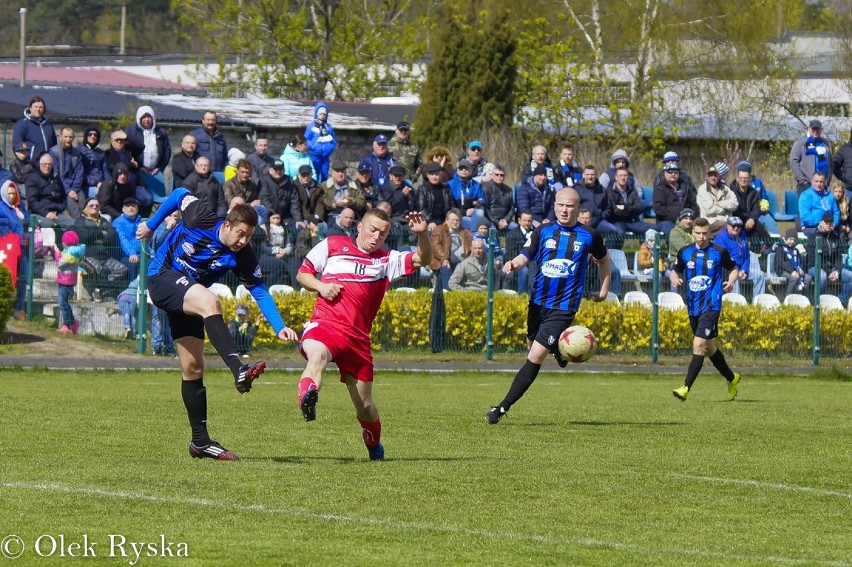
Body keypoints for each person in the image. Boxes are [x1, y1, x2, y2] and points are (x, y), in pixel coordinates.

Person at [135, 187, 299, 461]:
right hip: (162, 277)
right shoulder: (201, 216)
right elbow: (178, 194)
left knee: (193, 367)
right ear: (227, 224)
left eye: (249, 236)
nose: (244, 241)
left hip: (188, 296)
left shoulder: (243, 255)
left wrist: (278, 325)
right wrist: (151, 226)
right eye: (240, 233)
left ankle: (200, 442)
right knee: (211, 302)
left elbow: (258, 289)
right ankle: (238, 369)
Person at [295, 209, 432, 460]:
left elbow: (424, 258)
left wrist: (423, 234)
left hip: (357, 340)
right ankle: (306, 397)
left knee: (366, 407)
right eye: (373, 229)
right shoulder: (333, 244)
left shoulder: (386, 260)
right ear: (359, 227)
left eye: (383, 233)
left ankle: (373, 442)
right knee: (317, 357)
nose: (377, 236)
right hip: (326, 325)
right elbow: (303, 274)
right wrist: (322, 287)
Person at [485, 188, 611, 424]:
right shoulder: (543, 230)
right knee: (531, 346)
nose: (565, 210)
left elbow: (604, 260)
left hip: (564, 307)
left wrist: (603, 291)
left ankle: (501, 408)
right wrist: (513, 264)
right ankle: (559, 350)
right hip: (537, 302)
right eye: (561, 205)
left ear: (577, 208)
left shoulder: (588, 235)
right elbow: (525, 255)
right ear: (554, 206)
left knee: (534, 356)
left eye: (570, 206)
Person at [669, 217, 741, 402]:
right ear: (692, 233)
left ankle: (685, 388)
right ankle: (732, 378)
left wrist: (731, 281)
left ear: (710, 233)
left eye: (704, 233)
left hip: (712, 305)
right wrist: (674, 279)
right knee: (708, 348)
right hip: (693, 306)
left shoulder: (718, 252)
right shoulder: (685, 252)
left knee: (698, 345)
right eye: (698, 233)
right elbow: (675, 270)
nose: (701, 237)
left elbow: (734, 269)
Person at [712, 216, 766, 299]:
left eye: (739, 226)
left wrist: (744, 269)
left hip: (742, 269)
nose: (736, 228)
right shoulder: (721, 238)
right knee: (734, 278)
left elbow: (747, 255)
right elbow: (725, 259)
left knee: (760, 275)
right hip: (727, 270)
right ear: (728, 225)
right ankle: (737, 304)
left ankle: (758, 302)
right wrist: (737, 270)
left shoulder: (743, 235)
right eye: (734, 226)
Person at [806, 213, 852, 305]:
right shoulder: (813, 237)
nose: (828, 224)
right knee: (822, 276)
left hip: (832, 268)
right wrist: (828, 272)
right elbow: (814, 258)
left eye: (830, 222)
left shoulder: (835, 237)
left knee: (850, 276)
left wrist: (837, 271)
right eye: (826, 222)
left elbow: (838, 256)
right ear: (821, 223)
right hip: (814, 266)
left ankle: (841, 301)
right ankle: (818, 302)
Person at [27, 153, 77, 228]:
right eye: (45, 164)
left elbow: (63, 195)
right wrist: (46, 213)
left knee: (74, 225)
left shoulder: (56, 177)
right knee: (50, 227)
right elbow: (32, 201)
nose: (47, 166)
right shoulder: (32, 179)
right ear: (40, 164)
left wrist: (60, 208)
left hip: (57, 213)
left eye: (49, 164)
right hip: (40, 213)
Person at [603, 166, 653, 236]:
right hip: (617, 222)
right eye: (620, 175)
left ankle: (644, 247)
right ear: (616, 177)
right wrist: (631, 209)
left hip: (631, 222)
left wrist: (625, 208)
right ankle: (613, 247)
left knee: (653, 229)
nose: (623, 178)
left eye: (625, 175)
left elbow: (640, 208)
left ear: (628, 177)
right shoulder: (610, 191)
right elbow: (614, 210)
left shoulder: (632, 191)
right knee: (619, 233)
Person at [430, 208, 472, 290]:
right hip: (444, 262)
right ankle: (448, 294)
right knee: (446, 269)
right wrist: (444, 258)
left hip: (463, 263)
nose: (455, 222)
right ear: (446, 220)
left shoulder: (466, 232)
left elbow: (471, 248)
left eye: (457, 220)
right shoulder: (439, 230)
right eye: (453, 220)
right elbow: (436, 246)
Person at [652, 160, 697, 236]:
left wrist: (690, 217)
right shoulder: (660, 189)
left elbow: (694, 205)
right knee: (673, 232)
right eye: (670, 172)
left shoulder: (686, 188)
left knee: (700, 229)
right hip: (667, 220)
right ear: (665, 174)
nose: (673, 174)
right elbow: (659, 210)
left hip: (688, 219)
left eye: (675, 172)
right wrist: (678, 218)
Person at [125, 105, 171, 177]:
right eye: (143, 117)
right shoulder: (131, 131)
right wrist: (139, 167)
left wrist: (160, 167)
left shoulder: (161, 132)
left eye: (149, 117)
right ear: (139, 118)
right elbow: (127, 152)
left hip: (156, 173)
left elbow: (167, 151)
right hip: (137, 172)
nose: (146, 119)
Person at [54, 229, 85, 335]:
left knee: (63, 303)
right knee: (64, 303)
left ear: (66, 243)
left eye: (63, 241)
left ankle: (68, 325)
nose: (62, 243)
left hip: (66, 281)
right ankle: (71, 324)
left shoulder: (70, 254)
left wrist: (56, 252)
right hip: (66, 280)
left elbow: (60, 263)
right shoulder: (71, 251)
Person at [791, 119, 832, 193]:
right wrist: (803, 181)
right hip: (806, 185)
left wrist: (828, 180)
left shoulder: (826, 143)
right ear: (809, 129)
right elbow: (794, 162)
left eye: (818, 129)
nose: (815, 131)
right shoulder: (800, 142)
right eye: (813, 129)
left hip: (822, 184)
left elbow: (831, 163)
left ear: (821, 130)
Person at [697, 162, 738, 236]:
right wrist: (726, 208)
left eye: (715, 175)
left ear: (719, 177)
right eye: (710, 175)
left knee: (739, 227)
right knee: (729, 229)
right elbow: (709, 210)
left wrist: (718, 203)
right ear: (707, 177)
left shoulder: (725, 188)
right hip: (711, 223)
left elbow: (735, 204)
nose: (713, 177)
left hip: (726, 222)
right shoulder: (703, 189)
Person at [798, 171, 839, 237]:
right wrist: (820, 223)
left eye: (821, 182)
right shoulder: (806, 195)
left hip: (829, 226)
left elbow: (836, 212)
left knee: (841, 236)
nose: (819, 184)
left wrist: (834, 223)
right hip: (811, 227)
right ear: (812, 181)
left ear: (825, 182)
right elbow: (805, 216)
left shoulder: (830, 196)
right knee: (820, 236)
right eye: (816, 181)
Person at [447, 159, 485, 230]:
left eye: (466, 168)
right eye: (461, 168)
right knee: (467, 221)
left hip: (473, 214)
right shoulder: (450, 184)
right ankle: (473, 232)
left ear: (471, 171)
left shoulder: (476, 185)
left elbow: (482, 199)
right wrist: (464, 212)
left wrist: (478, 203)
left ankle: (474, 234)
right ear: (457, 171)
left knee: (480, 211)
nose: (464, 170)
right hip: (457, 215)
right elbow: (449, 206)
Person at [305, 103, 336, 182]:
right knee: (315, 173)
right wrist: (313, 147)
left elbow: (333, 140)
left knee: (325, 173)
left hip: (325, 156)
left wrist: (330, 148)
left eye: (324, 114)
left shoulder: (328, 127)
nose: (322, 116)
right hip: (315, 155)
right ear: (316, 114)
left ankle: (324, 190)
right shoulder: (311, 126)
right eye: (320, 114)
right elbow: (306, 139)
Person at [775, 228, 810, 295]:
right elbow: (781, 262)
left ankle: (804, 297)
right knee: (794, 278)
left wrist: (801, 270)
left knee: (808, 278)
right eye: (790, 239)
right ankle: (788, 297)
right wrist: (791, 271)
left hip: (795, 270)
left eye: (794, 240)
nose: (792, 241)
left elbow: (800, 261)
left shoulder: (795, 250)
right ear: (786, 238)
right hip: (783, 270)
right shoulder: (780, 248)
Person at [481, 164, 515, 231]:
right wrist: (497, 222)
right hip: (490, 220)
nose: (499, 177)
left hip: (505, 221)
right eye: (497, 174)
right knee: (492, 232)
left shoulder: (509, 190)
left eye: (501, 175)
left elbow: (512, 208)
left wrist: (506, 220)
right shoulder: (485, 188)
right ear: (492, 175)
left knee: (517, 229)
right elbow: (486, 209)